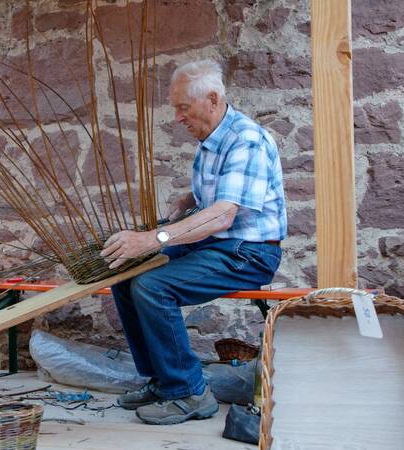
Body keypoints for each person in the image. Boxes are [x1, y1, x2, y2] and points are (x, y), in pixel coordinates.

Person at [99, 59, 287, 425]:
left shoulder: (245, 139)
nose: (177, 117)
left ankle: (189, 393)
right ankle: (163, 381)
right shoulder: (212, 139)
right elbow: (221, 197)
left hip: (250, 253)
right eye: (176, 108)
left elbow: (222, 216)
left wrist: (155, 238)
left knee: (153, 286)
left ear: (212, 100)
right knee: (126, 273)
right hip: (219, 243)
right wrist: (188, 200)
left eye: (183, 108)